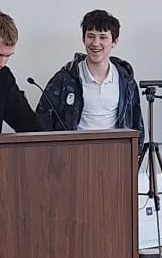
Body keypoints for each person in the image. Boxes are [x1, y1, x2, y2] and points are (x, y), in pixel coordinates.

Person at [35, 9, 145, 153]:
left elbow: (137, 125)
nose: (95, 43)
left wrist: (135, 155)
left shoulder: (126, 81)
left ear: (114, 41)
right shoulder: (64, 79)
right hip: (73, 156)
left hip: (115, 156)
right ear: (83, 39)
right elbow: (42, 123)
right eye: (90, 36)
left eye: (103, 37)